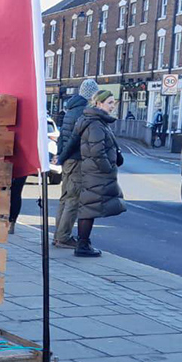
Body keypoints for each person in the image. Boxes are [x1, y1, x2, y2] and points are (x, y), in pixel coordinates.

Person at [61, 90, 126, 258]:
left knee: (90, 207)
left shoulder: (95, 121)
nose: (113, 106)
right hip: (96, 173)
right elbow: (97, 151)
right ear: (98, 104)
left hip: (92, 171)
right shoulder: (96, 124)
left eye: (114, 103)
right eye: (110, 103)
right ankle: (82, 245)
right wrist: (108, 169)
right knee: (89, 208)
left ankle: (84, 242)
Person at [52, 79, 98, 248]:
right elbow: (76, 139)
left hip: (67, 160)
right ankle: (63, 237)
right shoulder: (84, 112)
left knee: (65, 197)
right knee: (73, 199)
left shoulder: (70, 109)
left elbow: (63, 136)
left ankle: (58, 235)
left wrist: (60, 156)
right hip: (77, 159)